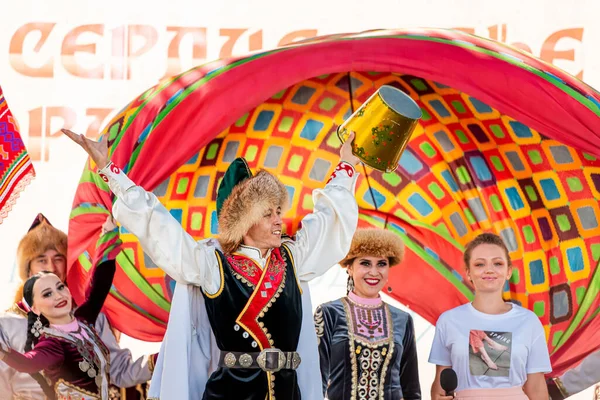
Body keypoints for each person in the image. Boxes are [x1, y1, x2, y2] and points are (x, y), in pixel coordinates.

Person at [63, 128, 360, 399]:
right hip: (231, 393)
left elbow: (328, 220)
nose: (279, 220)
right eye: (268, 213)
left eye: (277, 211)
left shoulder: (293, 257)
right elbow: (158, 224)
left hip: (286, 392)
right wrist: (108, 169)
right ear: (245, 221)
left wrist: (347, 164)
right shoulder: (211, 264)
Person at [0, 214, 157, 400]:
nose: (51, 267)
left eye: (58, 258)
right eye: (41, 259)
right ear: (27, 269)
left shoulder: (90, 318)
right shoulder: (7, 326)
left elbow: (120, 371)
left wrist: (164, 358)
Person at [428, 232, 551, 400]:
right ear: (468, 273)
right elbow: (440, 386)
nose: (489, 270)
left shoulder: (529, 321)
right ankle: (491, 351)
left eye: (498, 263)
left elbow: (536, 387)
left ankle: (491, 349)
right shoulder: (449, 321)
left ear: (509, 271)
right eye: (479, 264)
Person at [314, 228, 421, 400]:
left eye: (381, 264)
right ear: (349, 267)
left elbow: (412, 389)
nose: (373, 272)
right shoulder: (328, 314)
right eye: (365, 263)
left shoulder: (403, 319)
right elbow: (315, 381)